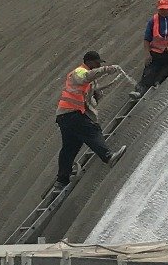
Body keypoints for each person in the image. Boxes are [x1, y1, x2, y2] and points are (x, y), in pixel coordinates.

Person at [54, 53, 128, 190]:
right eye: (97, 62)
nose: (99, 65)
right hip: (72, 113)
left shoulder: (89, 81)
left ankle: (61, 180)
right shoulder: (79, 72)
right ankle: (108, 156)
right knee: (93, 131)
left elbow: (90, 96)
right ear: (89, 62)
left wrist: (97, 94)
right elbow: (86, 77)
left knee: (69, 148)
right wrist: (106, 70)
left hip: (65, 116)